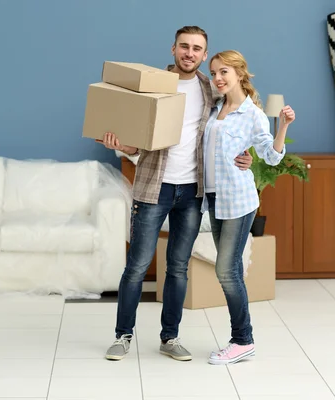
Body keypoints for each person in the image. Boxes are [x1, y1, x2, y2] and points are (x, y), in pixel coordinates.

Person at [97, 26, 253, 362]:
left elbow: (236, 121)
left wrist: (249, 153)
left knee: (178, 267)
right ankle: (122, 335)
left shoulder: (211, 89)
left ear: (203, 54)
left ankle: (170, 337)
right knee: (137, 267)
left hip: (193, 192)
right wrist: (121, 145)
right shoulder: (154, 86)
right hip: (154, 187)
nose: (190, 53)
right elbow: (137, 138)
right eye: (185, 46)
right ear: (173, 49)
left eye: (198, 49)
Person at [204, 50, 295, 365]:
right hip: (214, 198)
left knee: (226, 270)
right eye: (214, 72)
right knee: (230, 271)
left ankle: (243, 340)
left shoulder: (252, 113)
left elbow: (270, 156)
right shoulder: (215, 109)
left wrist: (282, 125)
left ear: (240, 73)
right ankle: (242, 340)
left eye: (224, 72)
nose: (217, 78)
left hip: (239, 201)